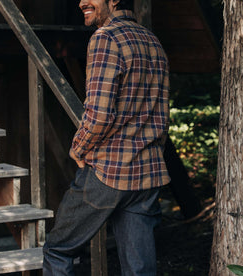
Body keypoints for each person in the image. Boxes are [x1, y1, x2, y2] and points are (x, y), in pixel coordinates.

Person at [43, 0, 170, 275]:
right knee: (139, 270)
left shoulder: (105, 38)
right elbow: (161, 112)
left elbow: (100, 114)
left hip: (108, 172)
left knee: (57, 249)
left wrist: (79, 147)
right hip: (147, 174)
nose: (80, 2)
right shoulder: (152, 41)